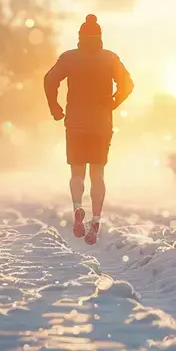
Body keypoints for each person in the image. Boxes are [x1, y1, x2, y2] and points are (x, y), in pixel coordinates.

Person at [43, 14, 134, 245]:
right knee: (97, 174)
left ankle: (76, 208)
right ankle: (95, 220)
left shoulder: (69, 58)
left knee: (76, 173)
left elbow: (49, 80)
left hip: (75, 123)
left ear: (80, 37)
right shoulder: (110, 58)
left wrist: (55, 107)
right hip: (101, 125)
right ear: (100, 37)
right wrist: (113, 102)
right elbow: (128, 84)